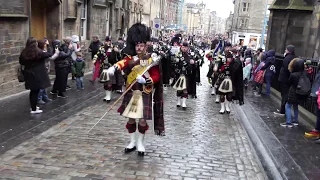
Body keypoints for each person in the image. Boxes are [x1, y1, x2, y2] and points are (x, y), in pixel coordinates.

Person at [106, 23, 165, 156]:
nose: (139, 48)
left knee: (143, 120)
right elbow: (122, 63)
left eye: (141, 46)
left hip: (145, 92)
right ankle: (132, 142)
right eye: (137, 46)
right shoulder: (130, 58)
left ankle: (140, 143)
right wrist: (114, 68)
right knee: (131, 119)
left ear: (146, 46)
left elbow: (156, 76)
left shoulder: (151, 59)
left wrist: (146, 80)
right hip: (132, 92)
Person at [19, 37, 53, 114]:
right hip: (38, 74)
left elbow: (21, 62)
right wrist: (47, 46)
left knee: (33, 91)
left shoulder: (24, 52)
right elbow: (49, 54)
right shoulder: (38, 52)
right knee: (35, 92)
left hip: (29, 74)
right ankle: (34, 109)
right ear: (35, 44)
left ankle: (33, 106)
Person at [95, 36, 123, 102]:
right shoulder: (102, 48)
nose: (108, 42)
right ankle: (107, 95)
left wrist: (117, 52)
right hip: (104, 68)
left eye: (109, 41)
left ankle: (109, 96)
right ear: (105, 41)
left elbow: (119, 58)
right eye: (106, 41)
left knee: (111, 82)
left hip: (113, 68)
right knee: (106, 83)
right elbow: (97, 56)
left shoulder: (114, 48)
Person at [280, 58, 305, 127]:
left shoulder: (293, 75)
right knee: (295, 106)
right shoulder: (304, 74)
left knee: (287, 106)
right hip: (300, 93)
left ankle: (288, 122)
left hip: (293, 92)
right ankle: (295, 120)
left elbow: (289, 82)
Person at [172, 42, 195, 110]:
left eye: (185, 47)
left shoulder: (191, 55)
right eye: (183, 47)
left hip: (187, 74)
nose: (184, 48)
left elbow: (195, 64)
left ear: (188, 48)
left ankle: (184, 103)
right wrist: (175, 61)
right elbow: (173, 64)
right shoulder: (178, 54)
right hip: (179, 74)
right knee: (179, 88)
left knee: (185, 88)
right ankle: (179, 101)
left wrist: (193, 63)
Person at [275, 45, 296, 116]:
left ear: (288, 50)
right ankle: (282, 109)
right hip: (287, 79)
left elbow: (287, 69)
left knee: (284, 95)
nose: (285, 51)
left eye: (286, 50)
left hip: (284, 79)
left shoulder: (287, 58)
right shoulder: (294, 57)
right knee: (285, 95)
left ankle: (282, 111)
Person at [37, 39, 59, 104]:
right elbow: (51, 57)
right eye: (44, 44)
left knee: (45, 85)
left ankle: (45, 97)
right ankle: (39, 98)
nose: (45, 45)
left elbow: (49, 53)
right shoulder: (41, 52)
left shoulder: (43, 50)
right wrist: (57, 53)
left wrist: (48, 45)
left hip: (45, 69)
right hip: (42, 70)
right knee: (42, 85)